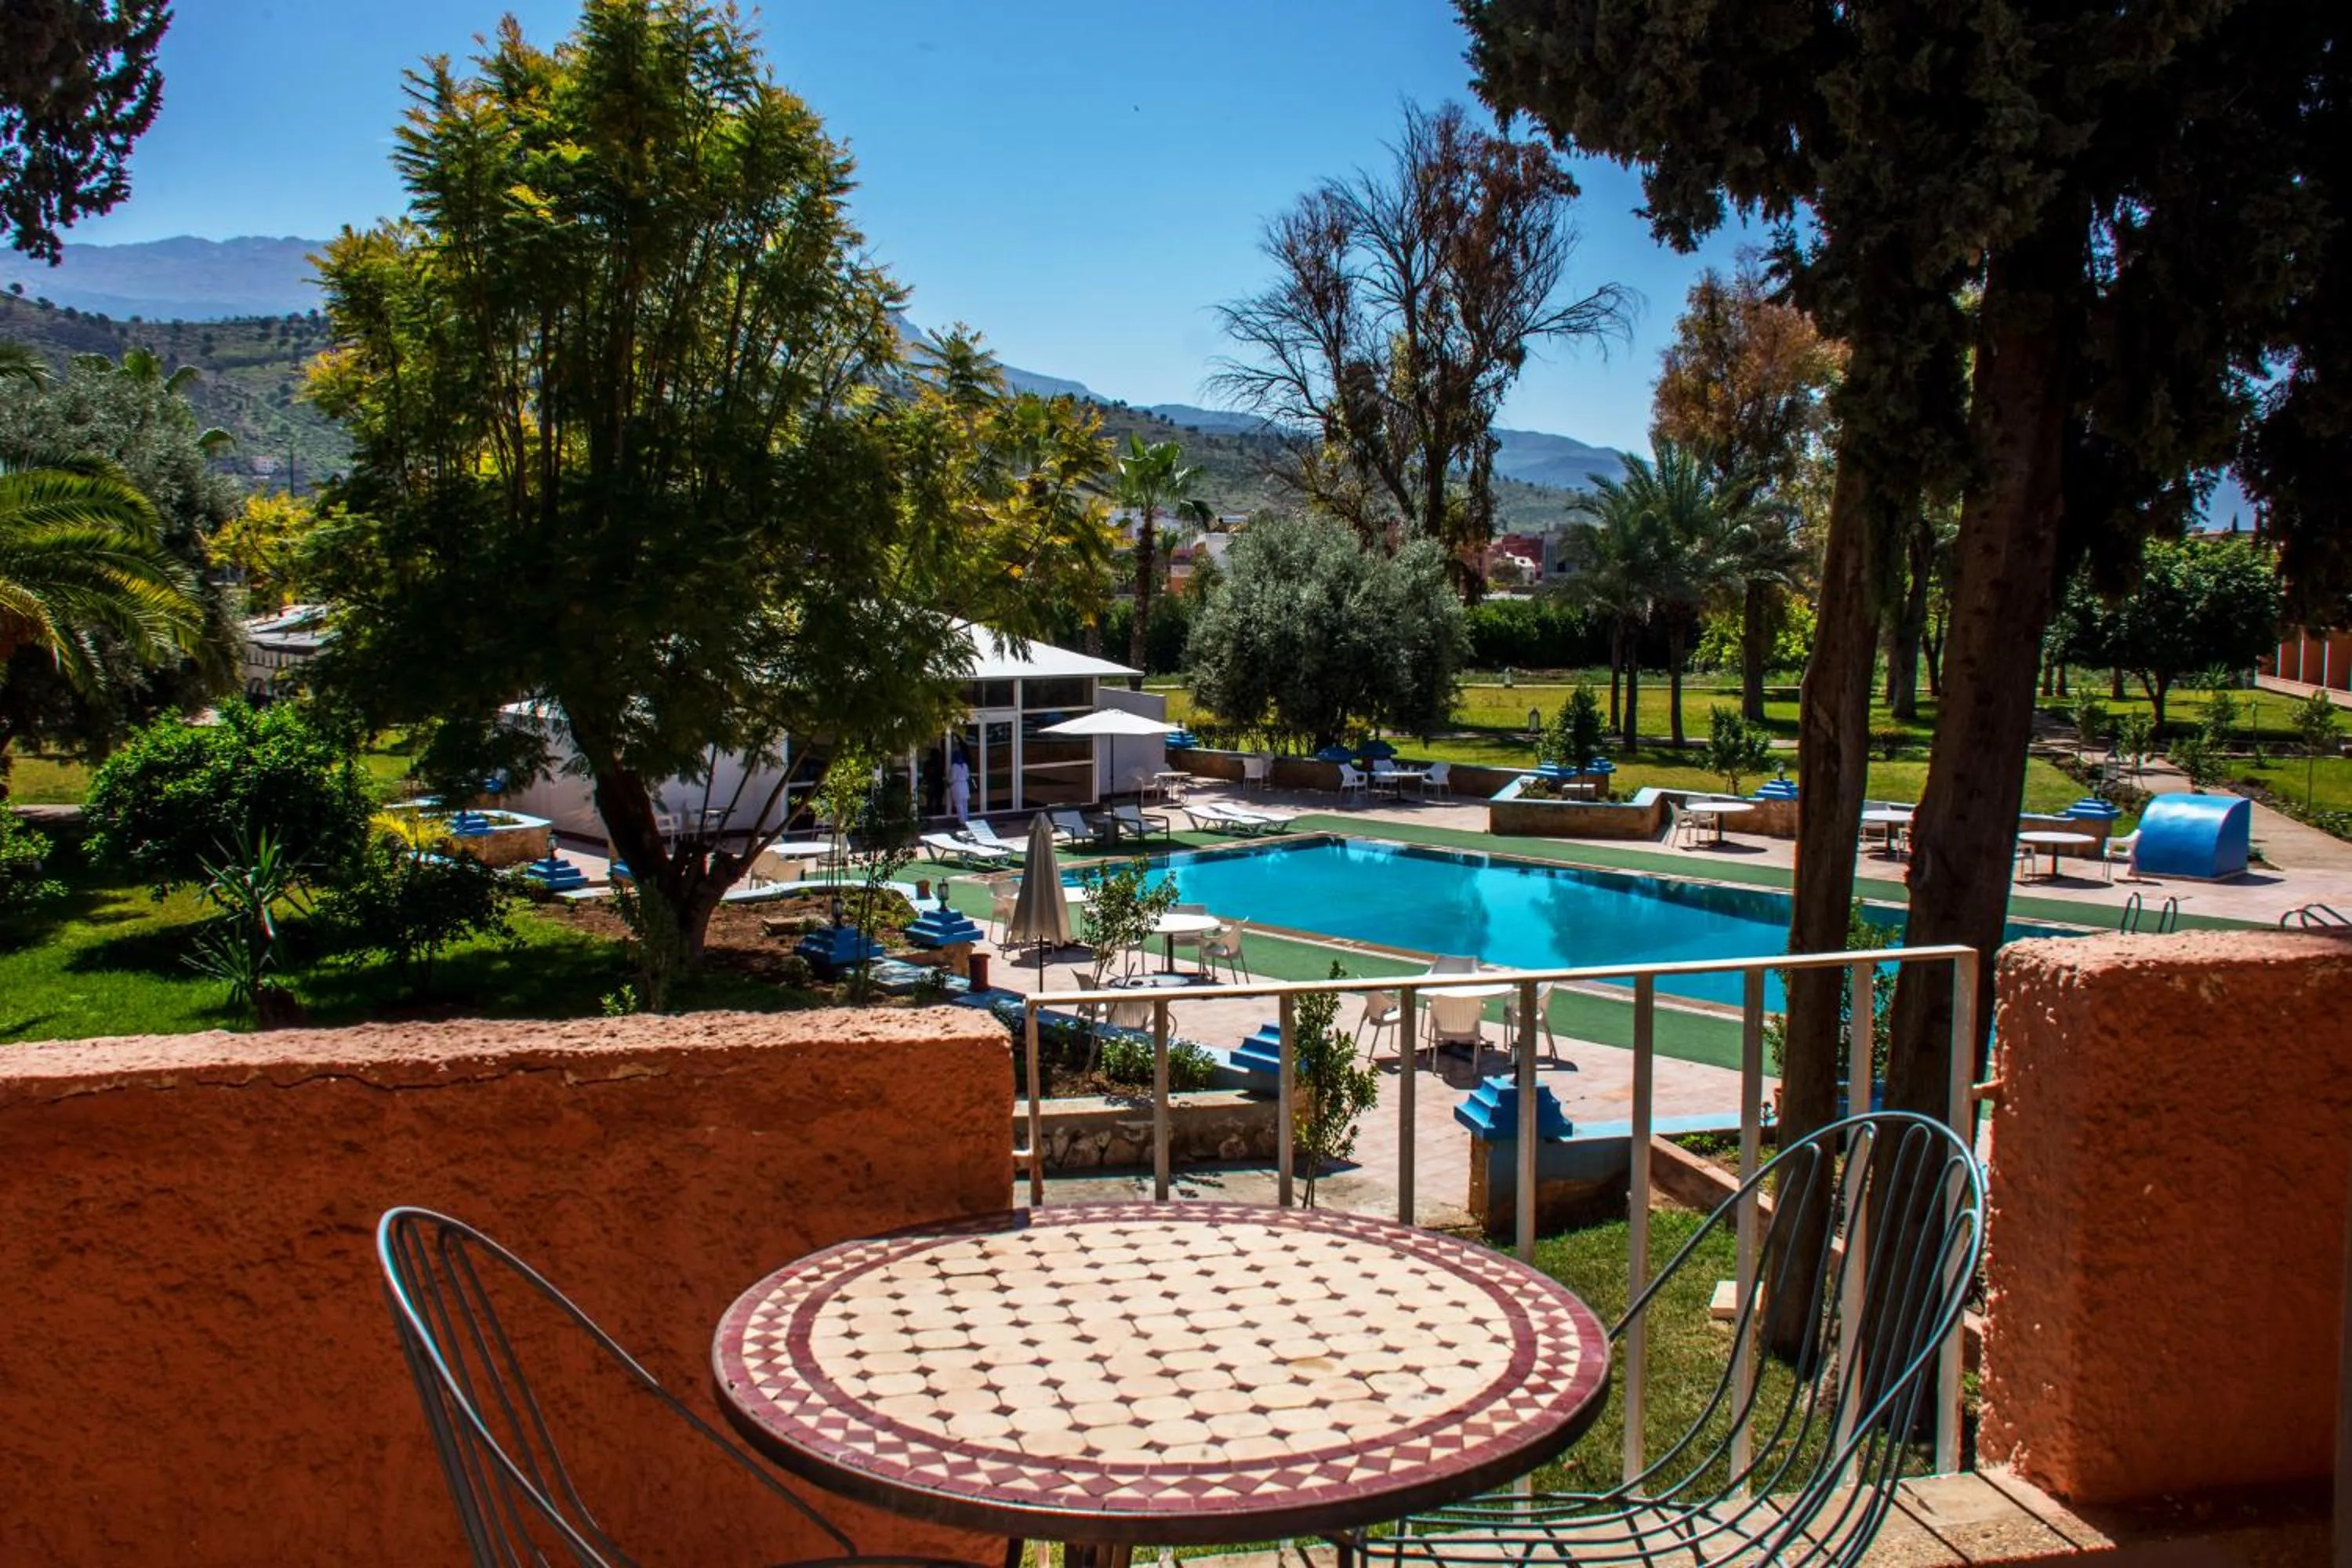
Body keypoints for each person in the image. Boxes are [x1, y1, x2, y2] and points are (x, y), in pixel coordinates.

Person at [948, 745, 971, 823]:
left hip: (957, 786)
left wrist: (948, 781)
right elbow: (967, 776)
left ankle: (962, 821)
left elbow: (953, 778)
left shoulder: (954, 766)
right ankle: (967, 820)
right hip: (965, 785)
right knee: (965, 805)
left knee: (959, 805)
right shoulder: (965, 765)